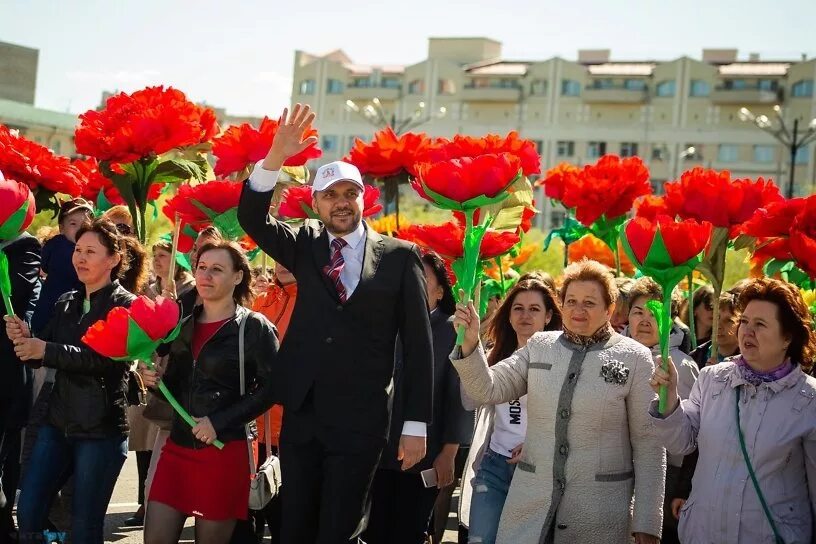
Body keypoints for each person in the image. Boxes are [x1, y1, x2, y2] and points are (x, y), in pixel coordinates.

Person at [237, 103, 433, 543]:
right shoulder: (303, 243)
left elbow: (419, 347)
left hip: (361, 418)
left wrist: (416, 424)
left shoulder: (401, 257)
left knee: (340, 529)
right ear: (316, 203)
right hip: (303, 412)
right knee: (295, 528)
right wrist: (275, 157)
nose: (341, 203)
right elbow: (251, 218)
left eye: (349, 193)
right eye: (330, 195)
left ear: (363, 197)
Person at [451, 259, 664, 544]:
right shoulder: (539, 346)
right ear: (561, 305)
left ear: (610, 309)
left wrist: (647, 523)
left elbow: (649, 444)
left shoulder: (635, 357)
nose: (578, 310)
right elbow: (486, 390)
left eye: (589, 302)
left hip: (599, 515)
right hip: (531, 507)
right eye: (571, 300)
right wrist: (469, 342)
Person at [650, 277, 816, 543]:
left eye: (760, 324)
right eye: (744, 322)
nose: (747, 331)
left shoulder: (809, 400)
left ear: (788, 337)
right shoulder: (712, 378)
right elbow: (682, 441)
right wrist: (668, 399)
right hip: (703, 532)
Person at [5, 219, 135, 544]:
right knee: (31, 510)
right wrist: (25, 338)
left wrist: (44, 349)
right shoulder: (67, 301)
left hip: (100, 430)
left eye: (91, 251)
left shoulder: (126, 305)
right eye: (78, 249)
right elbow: (40, 353)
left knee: (85, 523)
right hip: (57, 423)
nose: (80, 257)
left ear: (114, 258)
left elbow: (104, 360)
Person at [141, 241, 279, 544]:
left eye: (217, 269)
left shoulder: (255, 328)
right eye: (202, 268)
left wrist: (219, 421)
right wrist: (154, 380)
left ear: (238, 277)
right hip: (176, 448)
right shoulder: (182, 323)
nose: (206, 276)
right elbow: (177, 390)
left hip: (224, 451)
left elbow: (274, 388)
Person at [364, 252, 473, 544]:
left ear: (440, 291)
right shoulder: (382, 325)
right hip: (377, 452)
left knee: (408, 531)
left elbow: (458, 396)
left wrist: (449, 453)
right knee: (373, 532)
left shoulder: (453, 332)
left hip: (426, 452)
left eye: (422, 279)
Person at [457, 276, 563, 544]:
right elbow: (469, 401)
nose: (525, 316)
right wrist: (467, 345)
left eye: (534, 309)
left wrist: (536, 442)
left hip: (538, 471)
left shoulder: (563, 361)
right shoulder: (492, 354)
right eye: (518, 308)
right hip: (494, 465)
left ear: (549, 316)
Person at [626, 277, 698, 544]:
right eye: (637, 312)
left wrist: (683, 487)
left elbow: (691, 432)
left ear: (669, 319)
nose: (645, 320)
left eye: (654, 313)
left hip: (667, 475)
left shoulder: (681, 364)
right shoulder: (615, 354)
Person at [248, 261, 297, 542]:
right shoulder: (260, 300)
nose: (281, 262)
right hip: (254, 428)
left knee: (286, 521)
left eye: (287, 255)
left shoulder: (319, 303)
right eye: (277, 255)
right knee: (251, 516)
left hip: (293, 429)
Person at [0, 222, 41, 541]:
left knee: (6, 449)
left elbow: (16, 297)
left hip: (6, 369)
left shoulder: (21, 246)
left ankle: (4, 520)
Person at [690, 291, 741, 369]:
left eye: (728, 321)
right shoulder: (696, 357)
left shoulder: (748, 362)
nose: (719, 325)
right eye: (717, 317)